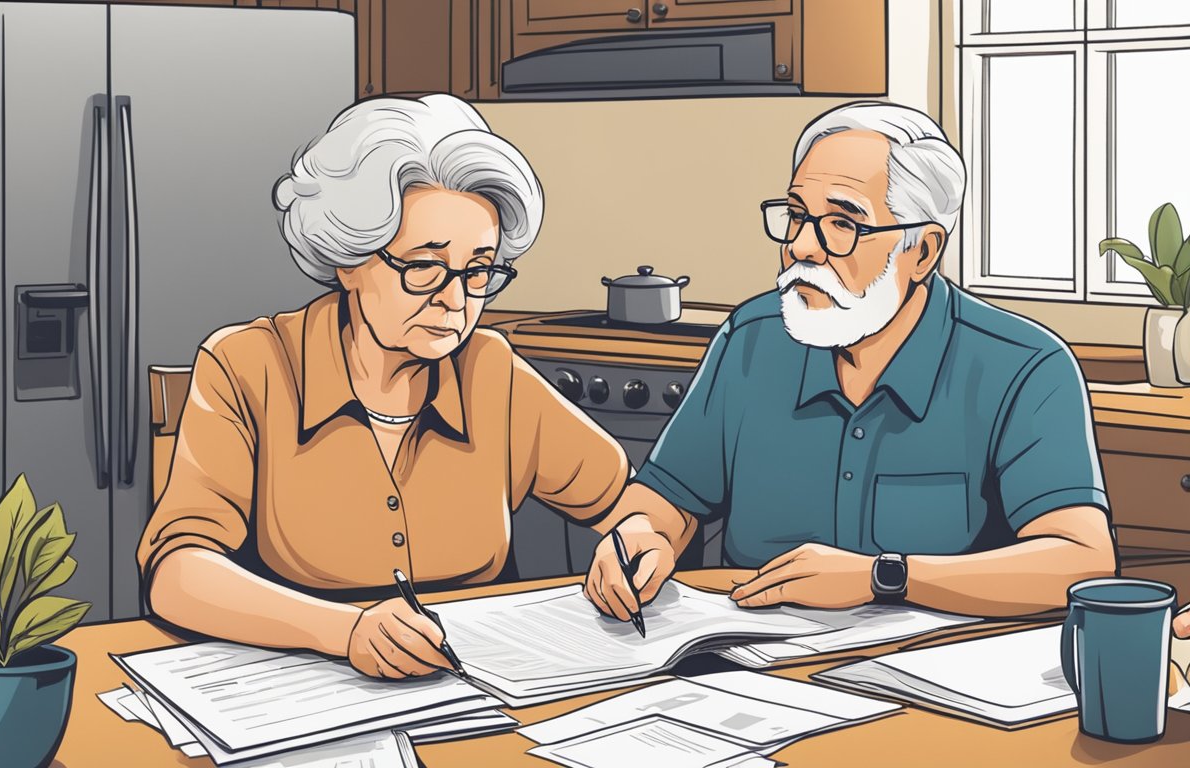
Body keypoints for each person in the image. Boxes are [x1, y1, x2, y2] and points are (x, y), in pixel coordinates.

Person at [138, 95, 686, 679]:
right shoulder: (249, 366)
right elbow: (177, 573)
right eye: (424, 265)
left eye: (478, 271)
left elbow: (636, 500)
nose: (456, 301)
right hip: (295, 686)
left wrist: (636, 538)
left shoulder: (489, 371)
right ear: (349, 261)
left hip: (471, 688)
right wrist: (343, 632)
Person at [584, 101, 1116, 622]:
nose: (801, 247)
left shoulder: (1024, 366)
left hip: (933, 681)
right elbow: (667, 498)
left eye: (842, 224)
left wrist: (881, 578)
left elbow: (1081, 561)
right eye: (795, 216)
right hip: (754, 668)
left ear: (923, 251)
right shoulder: (752, 339)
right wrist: (638, 533)